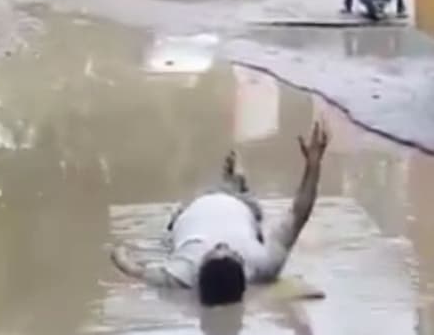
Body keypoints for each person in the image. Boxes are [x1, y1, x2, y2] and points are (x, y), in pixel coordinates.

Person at [110, 122, 330, 307]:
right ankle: (237, 181)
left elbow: (132, 269)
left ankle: (234, 179)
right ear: (243, 271)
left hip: (190, 208)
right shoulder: (263, 265)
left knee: (188, 207)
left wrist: (118, 254)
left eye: (214, 251)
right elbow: (299, 213)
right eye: (230, 252)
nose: (221, 245)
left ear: (198, 272)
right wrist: (313, 167)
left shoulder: (180, 275)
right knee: (249, 202)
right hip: (241, 204)